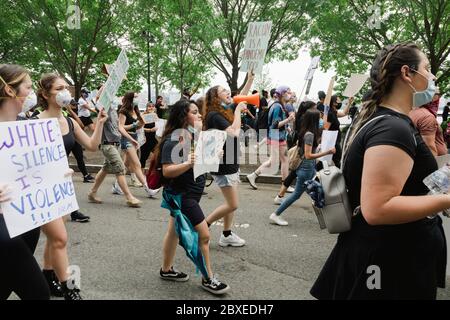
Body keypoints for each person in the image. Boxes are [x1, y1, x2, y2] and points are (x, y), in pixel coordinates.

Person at [311, 43, 447, 300]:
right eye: (427, 69)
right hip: (389, 261)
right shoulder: (393, 128)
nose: (432, 77)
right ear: (407, 74)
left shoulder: (378, 119)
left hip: (383, 253)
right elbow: (377, 208)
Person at [36, 73, 108, 300]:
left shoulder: (68, 121)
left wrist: (100, 124)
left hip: (63, 189)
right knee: (60, 239)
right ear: (46, 94)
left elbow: (92, 146)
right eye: (59, 89)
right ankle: (69, 288)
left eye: (66, 87)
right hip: (41, 190)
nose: (65, 92)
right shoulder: (33, 122)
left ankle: (47, 276)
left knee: (54, 238)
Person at [156, 99, 230, 295]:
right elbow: (167, 171)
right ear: (183, 116)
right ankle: (208, 279)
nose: (200, 115)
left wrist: (214, 155)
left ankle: (166, 269)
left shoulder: (193, 137)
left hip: (191, 193)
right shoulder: (174, 139)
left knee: (173, 232)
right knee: (203, 236)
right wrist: (188, 163)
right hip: (182, 196)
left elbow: (199, 163)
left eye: (199, 112)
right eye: (195, 112)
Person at [0, 64, 50, 300]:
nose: (32, 94)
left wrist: (55, 174)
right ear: (11, 91)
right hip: (3, 229)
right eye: (29, 88)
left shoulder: (27, 128)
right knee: (38, 294)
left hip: (27, 220)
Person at [270, 109, 335, 226]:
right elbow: (308, 155)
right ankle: (275, 214)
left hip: (309, 168)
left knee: (319, 190)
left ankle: (327, 217)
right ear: (314, 120)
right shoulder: (309, 135)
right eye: (319, 118)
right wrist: (327, 152)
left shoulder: (308, 132)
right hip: (306, 168)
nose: (321, 120)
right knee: (297, 194)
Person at [87, 101, 142, 208]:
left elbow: (120, 129)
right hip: (108, 146)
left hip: (115, 145)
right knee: (121, 168)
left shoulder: (115, 112)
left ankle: (92, 193)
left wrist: (132, 139)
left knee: (105, 169)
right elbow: (100, 100)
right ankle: (129, 197)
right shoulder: (105, 110)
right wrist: (105, 88)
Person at [246, 86, 295, 190]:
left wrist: (286, 127)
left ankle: (285, 185)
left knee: (283, 160)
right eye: (288, 92)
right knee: (276, 161)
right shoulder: (277, 106)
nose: (290, 94)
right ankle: (254, 176)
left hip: (278, 137)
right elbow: (275, 125)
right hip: (276, 137)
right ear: (282, 94)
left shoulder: (279, 105)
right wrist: (289, 120)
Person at [274, 100, 321, 204]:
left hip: (300, 148)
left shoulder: (300, 117)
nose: (316, 110)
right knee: (299, 174)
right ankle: (318, 198)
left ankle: (280, 195)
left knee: (294, 173)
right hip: (302, 151)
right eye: (314, 108)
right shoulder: (305, 119)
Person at [118, 92, 160, 197]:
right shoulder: (123, 111)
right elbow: (121, 127)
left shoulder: (136, 110)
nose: (137, 98)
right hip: (127, 139)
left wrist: (142, 123)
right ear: (130, 98)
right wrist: (134, 125)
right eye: (135, 97)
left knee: (125, 165)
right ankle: (149, 189)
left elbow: (139, 127)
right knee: (137, 165)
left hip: (135, 138)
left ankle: (117, 186)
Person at [409, 87, 447, 156]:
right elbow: (429, 147)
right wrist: (433, 165)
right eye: (438, 94)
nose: (439, 97)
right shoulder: (427, 117)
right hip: (435, 161)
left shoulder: (413, 110)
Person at [323, 95, 354, 167]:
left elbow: (344, 113)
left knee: (333, 161)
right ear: (334, 103)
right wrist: (329, 145)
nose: (340, 102)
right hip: (332, 142)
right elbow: (326, 129)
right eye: (339, 101)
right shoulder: (330, 114)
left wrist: (349, 103)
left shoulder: (334, 112)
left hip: (336, 141)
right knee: (337, 160)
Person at [139, 102, 159, 170]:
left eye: (152, 106)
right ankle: (141, 175)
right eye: (149, 106)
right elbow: (140, 128)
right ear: (146, 108)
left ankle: (155, 171)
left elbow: (158, 124)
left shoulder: (154, 115)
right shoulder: (143, 115)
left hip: (153, 139)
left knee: (159, 154)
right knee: (143, 158)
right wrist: (150, 130)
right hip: (145, 139)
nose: (151, 108)